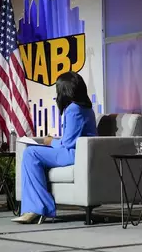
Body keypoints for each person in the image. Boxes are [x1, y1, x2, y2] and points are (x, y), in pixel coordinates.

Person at [12, 71, 97, 224]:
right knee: (32, 155)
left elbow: (68, 144)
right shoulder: (86, 109)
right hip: (77, 152)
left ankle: (38, 209)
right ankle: (37, 207)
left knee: (31, 153)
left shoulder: (73, 109)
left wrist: (50, 141)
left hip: (74, 154)